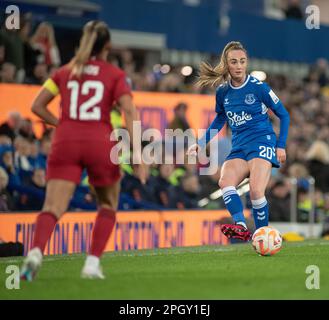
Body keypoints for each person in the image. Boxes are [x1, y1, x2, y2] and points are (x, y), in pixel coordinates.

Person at [21, 20, 146, 281]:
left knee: (52, 207)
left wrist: (62, 124)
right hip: (99, 142)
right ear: (107, 46)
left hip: (65, 141)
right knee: (108, 204)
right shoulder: (114, 75)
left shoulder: (65, 72)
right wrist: (137, 153)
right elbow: (129, 111)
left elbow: (37, 106)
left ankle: (35, 252)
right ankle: (91, 264)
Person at [187, 41, 290, 241]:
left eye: (242, 61)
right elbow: (220, 119)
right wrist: (201, 142)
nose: (239, 66)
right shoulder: (223, 92)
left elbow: (284, 115)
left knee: (256, 190)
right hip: (240, 146)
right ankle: (241, 226)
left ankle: (262, 236)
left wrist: (281, 145)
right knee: (225, 181)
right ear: (226, 64)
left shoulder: (259, 88)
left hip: (262, 141)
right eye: (234, 62)